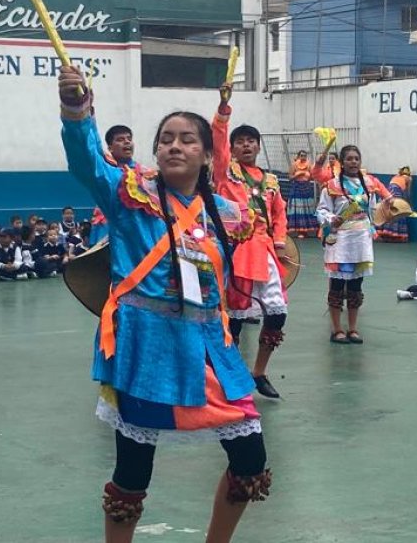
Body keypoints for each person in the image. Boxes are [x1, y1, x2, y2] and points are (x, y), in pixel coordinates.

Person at [57, 66, 270, 541]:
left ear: (207, 153)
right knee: (134, 471)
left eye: (187, 139)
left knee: (251, 458)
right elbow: (86, 160)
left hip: (210, 346)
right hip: (143, 343)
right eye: (166, 138)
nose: (175, 146)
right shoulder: (129, 195)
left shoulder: (229, 213)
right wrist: (77, 111)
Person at [213, 82, 291, 399]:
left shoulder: (270, 179)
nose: (246, 146)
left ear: (258, 146)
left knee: (277, 313)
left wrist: (282, 241)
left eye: (251, 142)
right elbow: (216, 141)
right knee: (234, 318)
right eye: (240, 142)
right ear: (232, 148)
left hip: (266, 252)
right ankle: (227, 375)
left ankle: (258, 372)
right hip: (236, 251)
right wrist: (223, 110)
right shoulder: (224, 172)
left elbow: (280, 212)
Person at [317, 145, 392, 344]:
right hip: (340, 240)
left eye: (356, 158)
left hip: (361, 240)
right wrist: (332, 219)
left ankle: (352, 328)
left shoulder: (368, 184)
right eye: (349, 159)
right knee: (337, 285)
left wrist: (386, 213)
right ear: (342, 162)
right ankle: (337, 329)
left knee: (356, 286)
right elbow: (322, 210)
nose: (353, 162)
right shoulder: (332, 185)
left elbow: (374, 210)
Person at [89, 124, 140, 246]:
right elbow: (93, 148)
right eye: (120, 139)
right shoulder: (106, 168)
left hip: (136, 229)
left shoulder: (145, 173)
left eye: (129, 139)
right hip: (107, 225)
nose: (127, 142)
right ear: (110, 147)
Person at [376, 167, 412, 243]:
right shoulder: (409, 178)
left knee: (390, 210)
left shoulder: (396, 176)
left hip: (389, 191)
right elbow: (407, 192)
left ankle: (386, 233)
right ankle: (397, 235)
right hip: (397, 191)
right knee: (399, 211)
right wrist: (408, 205)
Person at [286, 150, 316, 238]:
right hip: (296, 188)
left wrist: (307, 175)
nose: (303, 157)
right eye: (301, 155)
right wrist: (297, 175)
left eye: (305, 156)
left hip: (306, 188)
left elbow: (312, 177)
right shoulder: (294, 165)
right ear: (298, 156)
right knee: (298, 208)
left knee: (307, 208)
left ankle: (306, 230)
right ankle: (299, 231)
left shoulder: (309, 165)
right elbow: (290, 177)